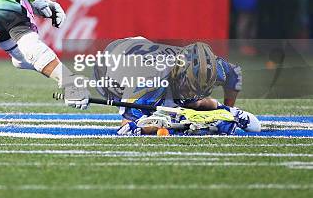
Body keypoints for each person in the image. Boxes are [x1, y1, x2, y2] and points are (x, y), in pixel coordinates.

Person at [90, 37, 260, 135]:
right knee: (156, 109)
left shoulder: (214, 66)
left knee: (191, 103)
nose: (193, 94)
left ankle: (225, 111)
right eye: (190, 87)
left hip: (144, 54)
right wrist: (175, 124)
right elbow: (126, 127)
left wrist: (228, 110)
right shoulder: (150, 77)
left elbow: (235, 75)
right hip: (109, 71)